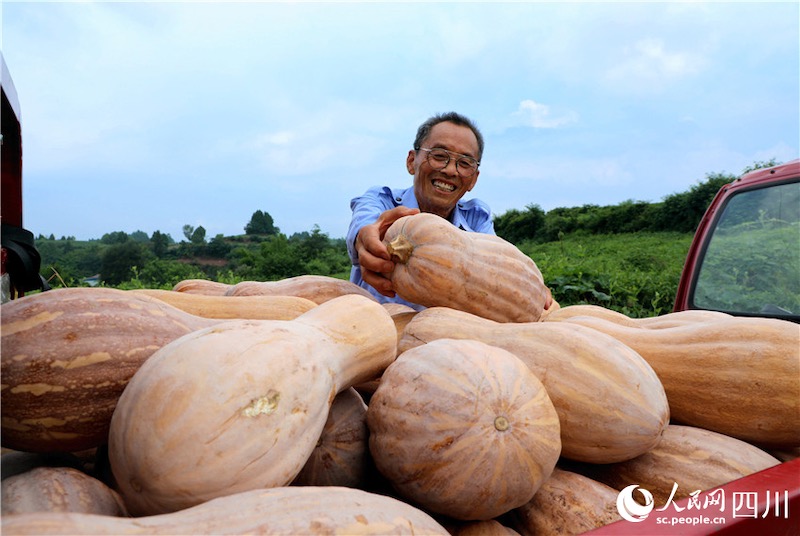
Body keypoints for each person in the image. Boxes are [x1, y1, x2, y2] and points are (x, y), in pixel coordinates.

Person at [346, 111, 494, 310]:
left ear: (474, 179)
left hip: (448, 338)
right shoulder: (381, 200)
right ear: (411, 162)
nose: (450, 170)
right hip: (372, 331)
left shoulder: (477, 219)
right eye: (439, 156)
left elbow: (498, 268)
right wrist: (366, 240)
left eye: (465, 163)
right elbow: (365, 226)